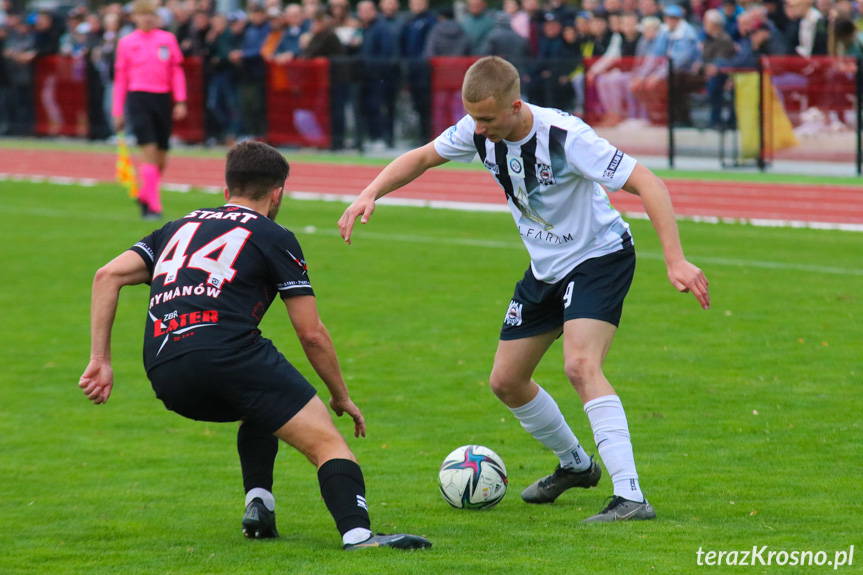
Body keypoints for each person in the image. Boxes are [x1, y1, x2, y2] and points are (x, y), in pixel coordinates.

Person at [338, 56, 710, 523]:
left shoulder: (566, 136)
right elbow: (422, 156)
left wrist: (675, 259)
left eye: (488, 119)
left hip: (599, 257)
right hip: (545, 268)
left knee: (579, 364)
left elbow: (649, 184)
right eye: (473, 117)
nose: (478, 128)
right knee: (506, 382)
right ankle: (576, 465)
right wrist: (369, 192)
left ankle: (631, 496)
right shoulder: (478, 130)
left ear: (516, 106)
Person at [78, 141, 433, 551]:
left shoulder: (175, 228)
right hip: (227, 354)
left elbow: (107, 275)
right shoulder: (273, 235)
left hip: (165, 369)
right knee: (328, 443)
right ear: (277, 193)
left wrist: (101, 361)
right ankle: (359, 535)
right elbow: (311, 333)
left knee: (260, 407)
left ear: (227, 190)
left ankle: (258, 505)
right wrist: (340, 395)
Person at [113, 0, 187, 220]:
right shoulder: (127, 42)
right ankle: (154, 206)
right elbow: (121, 78)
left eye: (151, 14)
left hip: (162, 98)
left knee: (162, 155)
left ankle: (145, 193)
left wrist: (180, 100)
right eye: (142, 14)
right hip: (139, 98)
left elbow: (176, 71)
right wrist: (117, 110)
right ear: (134, 17)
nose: (147, 18)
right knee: (149, 150)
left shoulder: (167, 39)